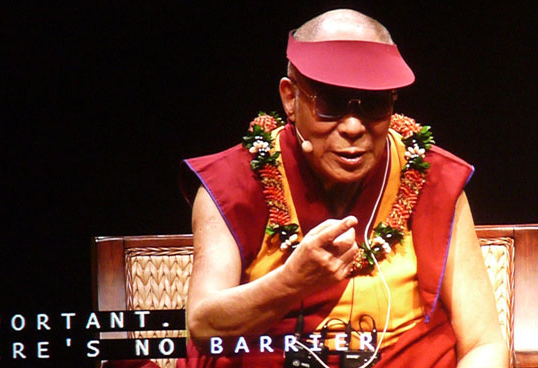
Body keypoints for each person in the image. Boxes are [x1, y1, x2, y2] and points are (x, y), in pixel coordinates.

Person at [180, 9, 508, 367]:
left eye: (374, 104)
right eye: (332, 103)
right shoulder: (235, 181)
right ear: (290, 99)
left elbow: (484, 343)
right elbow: (203, 326)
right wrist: (291, 282)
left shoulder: (431, 178)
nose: (353, 126)